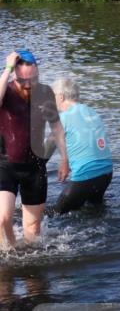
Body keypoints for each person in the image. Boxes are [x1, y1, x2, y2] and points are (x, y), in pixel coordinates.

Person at [0, 50, 69, 249]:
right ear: (14, 75)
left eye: (33, 79)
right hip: (5, 165)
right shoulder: (6, 90)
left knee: (33, 230)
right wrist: (7, 69)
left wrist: (65, 159)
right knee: (3, 219)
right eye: (23, 80)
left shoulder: (45, 92)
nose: (28, 85)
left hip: (35, 167)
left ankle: (32, 273)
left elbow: (56, 127)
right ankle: (10, 256)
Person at [52, 78, 113, 214]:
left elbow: (46, 151)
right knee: (95, 211)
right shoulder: (92, 112)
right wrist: (66, 161)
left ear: (60, 97)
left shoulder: (62, 118)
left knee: (55, 214)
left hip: (86, 175)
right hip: (107, 173)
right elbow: (87, 142)